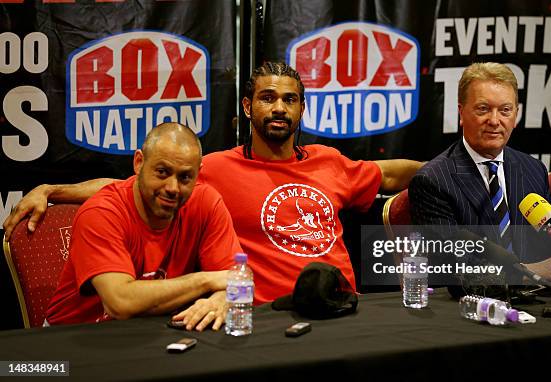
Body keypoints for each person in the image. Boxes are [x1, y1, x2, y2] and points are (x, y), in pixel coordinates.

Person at [3, 62, 422, 304]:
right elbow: (130, 187)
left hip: (344, 305)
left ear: (301, 109)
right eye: (267, 98)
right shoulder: (214, 169)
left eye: (289, 100)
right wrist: (51, 191)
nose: (279, 108)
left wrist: (450, 167)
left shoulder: (329, 162)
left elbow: (388, 173)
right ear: (247, 106)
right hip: (264, 315)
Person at [409, 62, 551, 284]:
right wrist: (524, 274)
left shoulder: (532, 170)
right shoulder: (433, 181)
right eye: (483, 109)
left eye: (505, 110)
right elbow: (448, 264)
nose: (494, 120)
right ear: (461, 112)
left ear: (516, 115)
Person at [44, 123, 242, 330]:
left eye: (184, 177)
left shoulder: (206, 202)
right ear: (139, 163)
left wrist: (222, 298)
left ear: (197, 174)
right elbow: (120, 303)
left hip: (151, 332)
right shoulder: (100, 213)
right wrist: (206, 281)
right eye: (162, 172)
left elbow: (238, 278)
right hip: (73, 337)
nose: (172, 188)